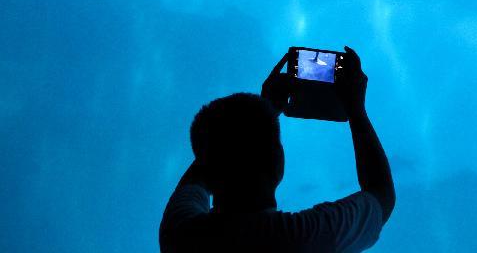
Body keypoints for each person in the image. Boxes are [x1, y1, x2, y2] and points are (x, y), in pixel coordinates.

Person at [159, 47, 395, 252]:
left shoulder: (181, 235)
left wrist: (264, 113)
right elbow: (381, 195)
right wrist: (356, 109)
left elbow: (202, 168)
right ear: (278, 160)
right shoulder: (305, 237)